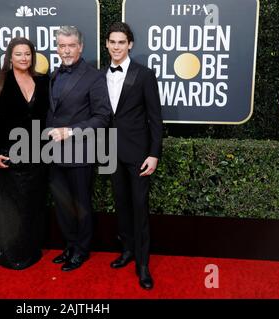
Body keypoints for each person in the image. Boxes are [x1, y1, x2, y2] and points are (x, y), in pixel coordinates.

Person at [47, 26, 111, 271]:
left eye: (71, 45)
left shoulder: (93, 76)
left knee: (81, 204)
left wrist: (70, 131)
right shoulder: (54, 74)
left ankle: (82, 250)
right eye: (62, 45)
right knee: (62, 205)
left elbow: (102, 117)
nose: (66, 50)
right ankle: (70, 245)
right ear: (57, 47)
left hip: (80, 152)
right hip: (52, 153)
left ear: (80, 46)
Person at [105, 22, 163, 289]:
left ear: (130, 45)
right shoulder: (100, 75)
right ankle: (127, 250)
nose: (116, 47)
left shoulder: (144, 75)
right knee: (122, 205)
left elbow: (155, 119)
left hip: (138, 153)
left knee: (139, 208)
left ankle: (143, 263)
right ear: (107, 44)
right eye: (112, 42)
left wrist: (154, 154)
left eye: (121, 42)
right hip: (109, 153)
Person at [0, 37, 50, 270]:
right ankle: (12, 253)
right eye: (19, 54)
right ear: (10, 57)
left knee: (33, 204)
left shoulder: (43, 82)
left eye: (28, 54)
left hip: (38, 155)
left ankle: (30, 249)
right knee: (12, 207)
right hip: (9, 155)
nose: (24, 58)